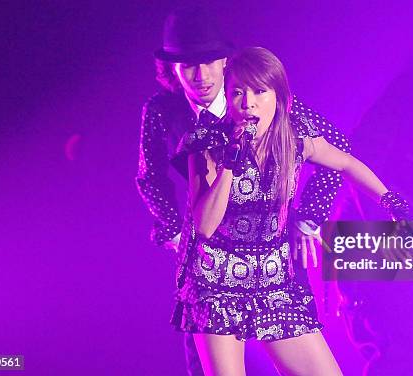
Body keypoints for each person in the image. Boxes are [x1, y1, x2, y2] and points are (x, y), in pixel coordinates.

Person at [135, 5, 353, 375]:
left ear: (225, 61)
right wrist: (173, 230)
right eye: (187, 65)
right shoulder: (162, 111)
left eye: (208, 61)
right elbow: (149, 176)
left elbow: (336, 149)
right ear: (172, 69)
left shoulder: (263, 98)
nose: (199, 75)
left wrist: (309, 220)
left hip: (271, 256)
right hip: (207, 266)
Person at [173, 46, 407, 376]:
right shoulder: (207, 142)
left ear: (279, 97)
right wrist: (230, 162)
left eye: (258, 91)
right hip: (216, 281)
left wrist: (390, 201)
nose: (248, 103)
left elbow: (347, 163)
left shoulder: (294, 138)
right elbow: (205, 225)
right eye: (237, 92)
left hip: (274, 281)